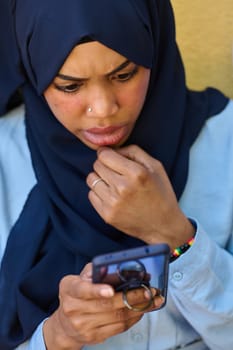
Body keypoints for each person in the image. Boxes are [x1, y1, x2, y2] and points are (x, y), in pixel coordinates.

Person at [0, 0, 232, 349]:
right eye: (70, 85)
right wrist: (58, 336)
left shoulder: (225, 140)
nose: (104, 109)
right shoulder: (5, 158)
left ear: (156, 47)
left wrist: (173, 233)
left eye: (123, 75)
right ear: (34, 71)